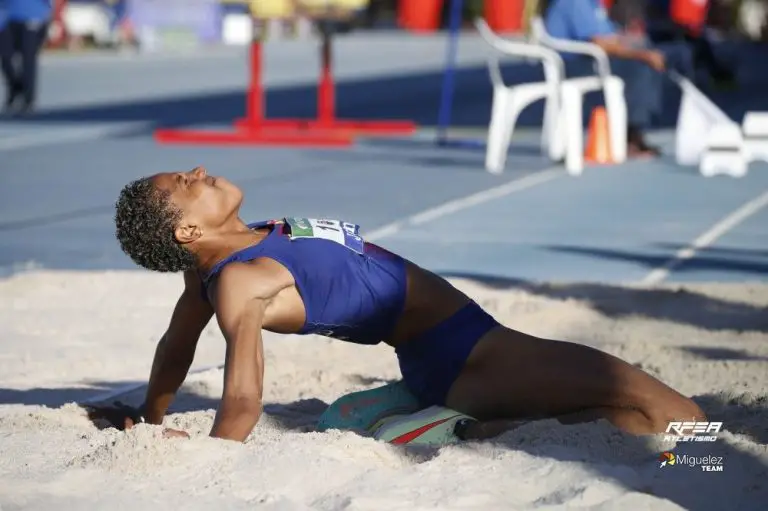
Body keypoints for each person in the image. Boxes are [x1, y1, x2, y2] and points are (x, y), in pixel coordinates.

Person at [89, 167, 705, 443]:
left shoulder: (246, 246)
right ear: (186, 235)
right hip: (474, 352)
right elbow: (244, 398)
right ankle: (710, 475)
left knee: (620, 412)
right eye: (184, 186)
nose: (198, 171)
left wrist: (149, 415)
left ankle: (477, 428)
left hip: (450, 356)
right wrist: (215, 462)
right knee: (686, 416)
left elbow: (175, 347)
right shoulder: (234, 282)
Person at [542, 0, 695, 157]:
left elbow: (611, 38)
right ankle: (630, 134)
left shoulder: (593, 4)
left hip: (593, 58)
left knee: (664, 53)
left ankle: (637, 129)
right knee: (640, 67)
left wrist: (640, 45)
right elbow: (601, 44)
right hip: (575, 64)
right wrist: (643, 55)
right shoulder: (576, 2)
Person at [0, 0, 51, 116]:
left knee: (28, 59)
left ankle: (28, 98)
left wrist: (47, 17)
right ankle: (15, 89)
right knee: (5, 56)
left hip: (32, 15)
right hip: (5, 16)